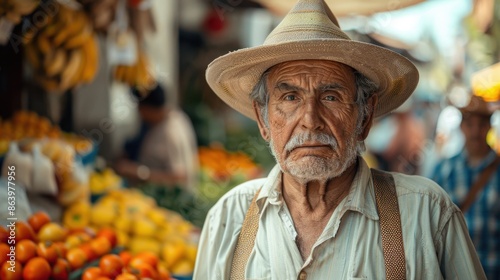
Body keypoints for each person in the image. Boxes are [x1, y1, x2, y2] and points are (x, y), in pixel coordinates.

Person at [193, 0, 486, 279]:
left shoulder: (427, 213)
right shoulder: (228, 218)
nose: (310, 119)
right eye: (290, 97)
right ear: (263, 119)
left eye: (331, 97)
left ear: (365, 116)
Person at [431, 94, 500, 279]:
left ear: (490, 127)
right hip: (454, 273)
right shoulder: (444, 169)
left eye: (482, 125)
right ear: (462, 127)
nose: (475, 131)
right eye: (470, 125)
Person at [114, 84, 198, 192]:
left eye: (140, 108)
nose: (139, 113)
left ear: (146, 109)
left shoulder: (171, 133)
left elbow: (179, 178)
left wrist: (138, 172)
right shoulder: (172, 116)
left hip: (168, 199)